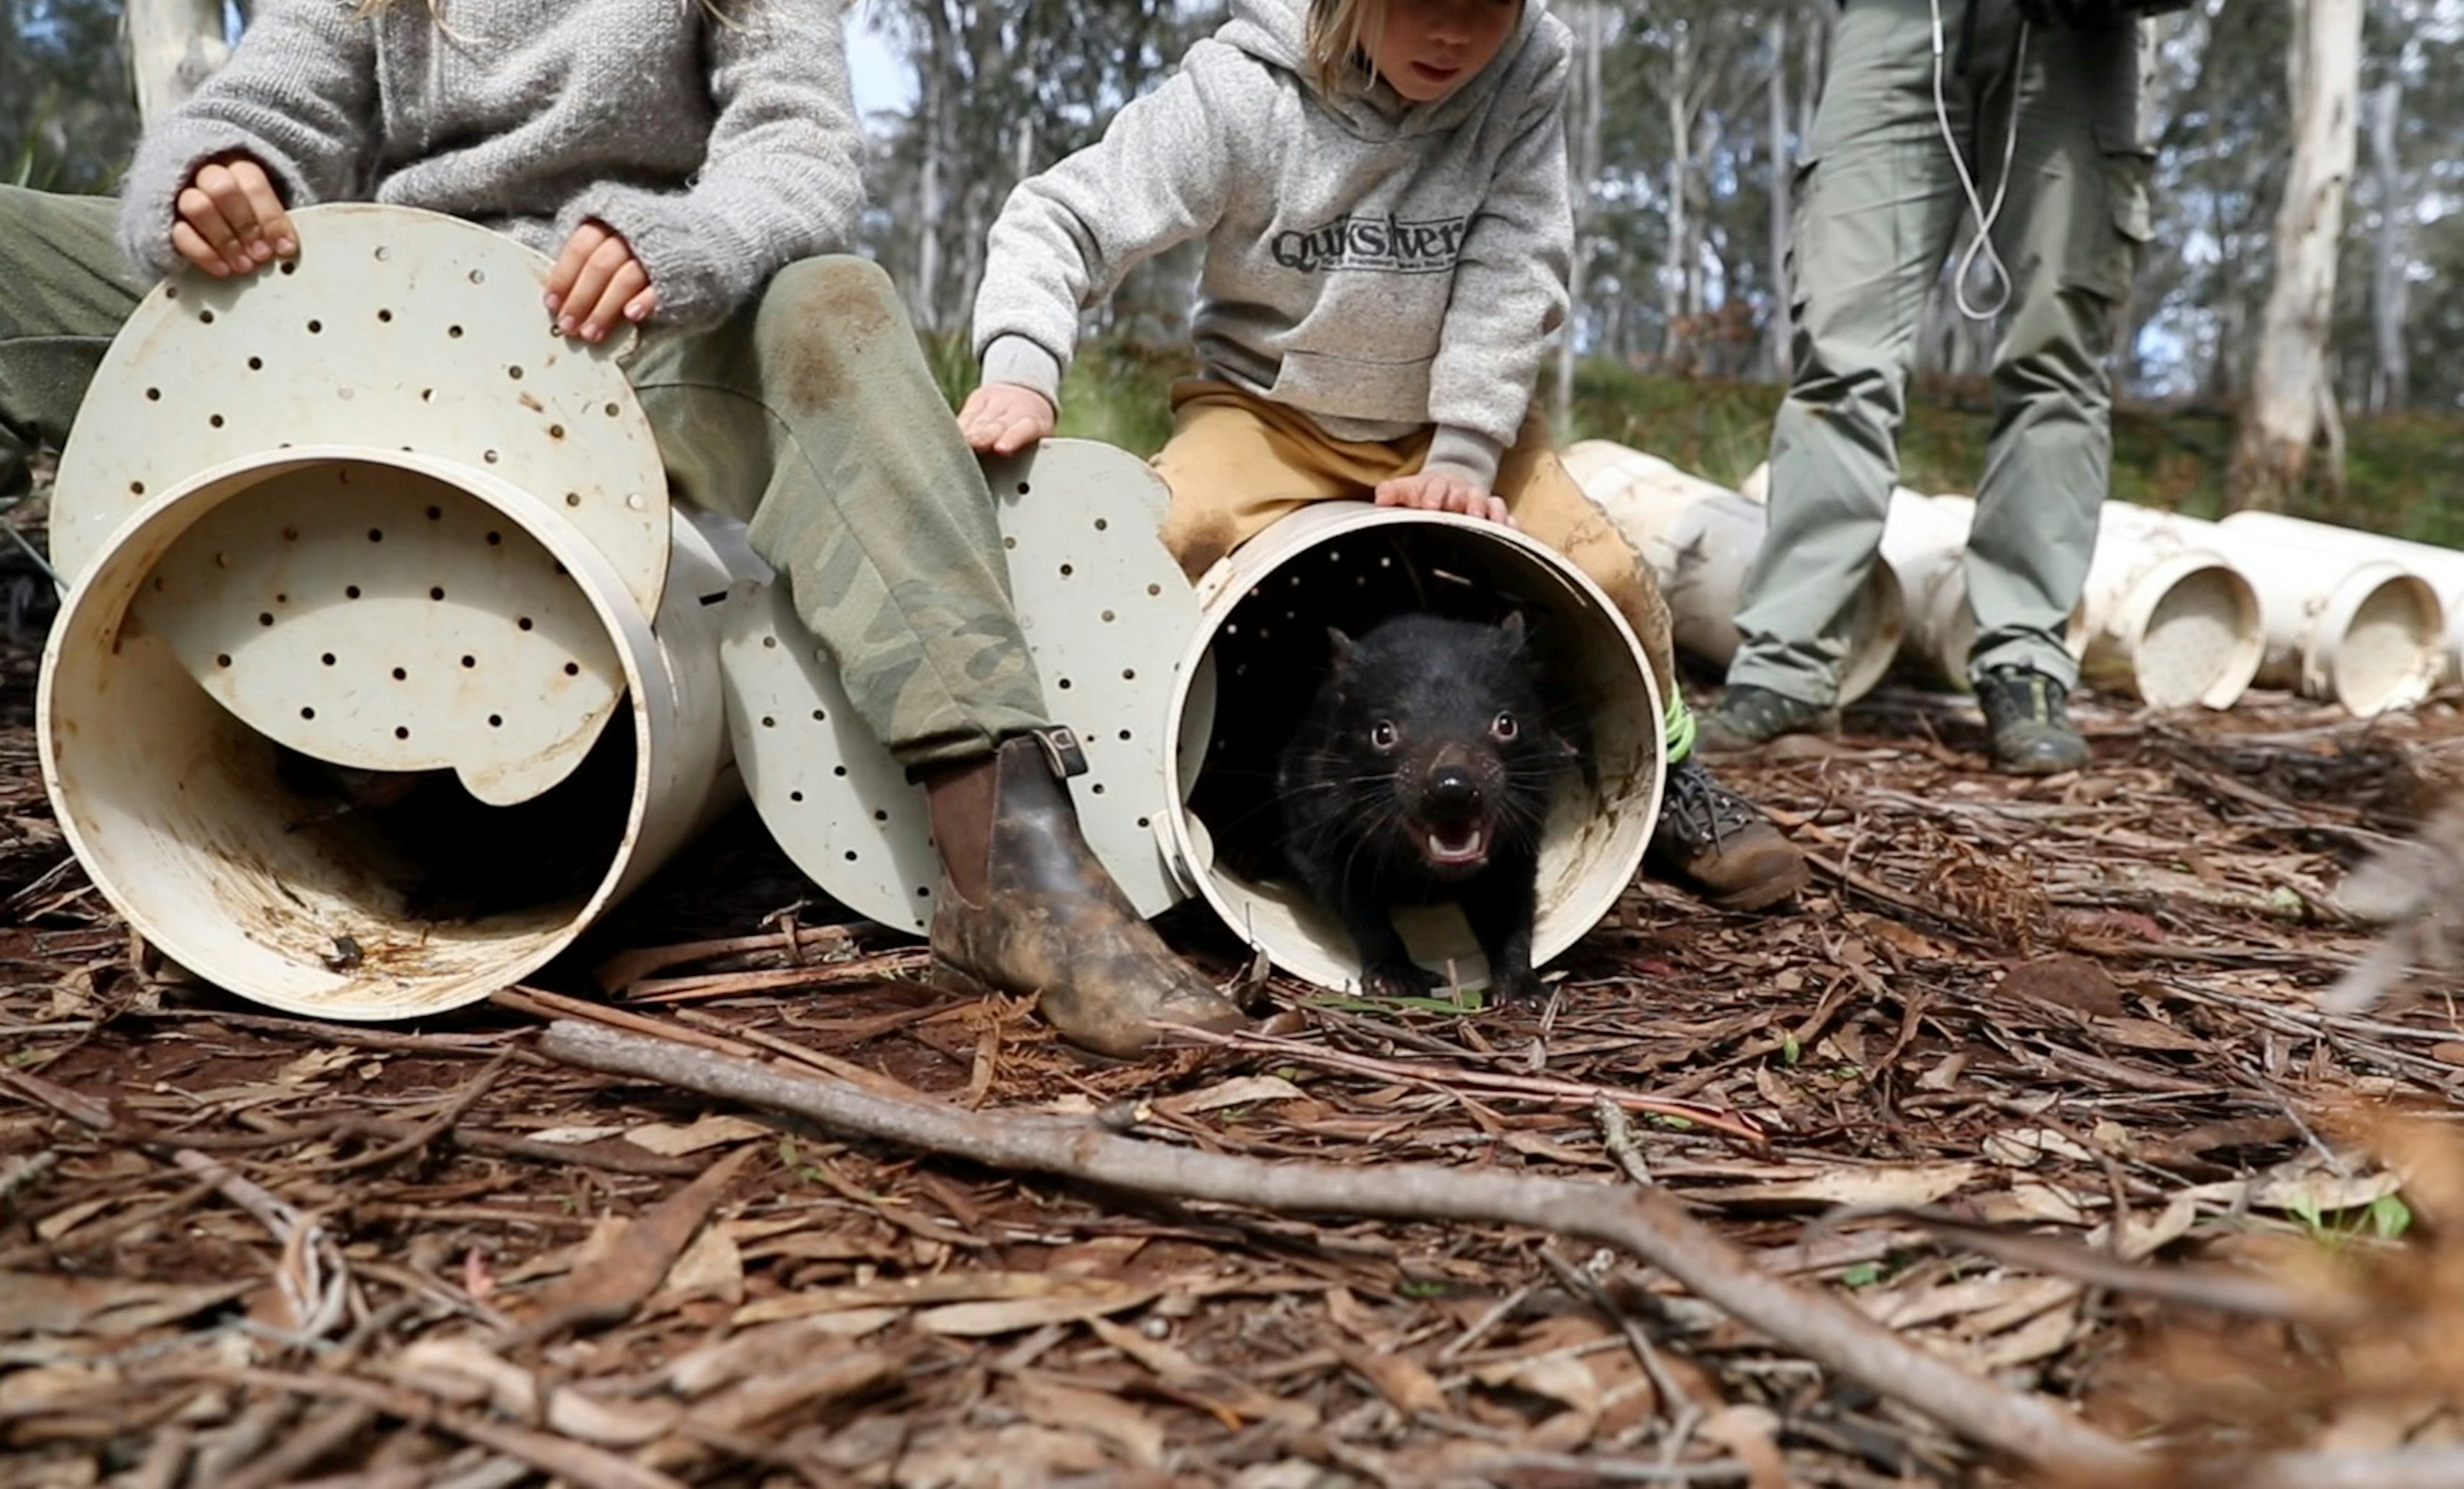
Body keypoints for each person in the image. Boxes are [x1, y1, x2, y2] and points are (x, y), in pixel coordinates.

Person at [0, 0, 1245, 1057]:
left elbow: (800, 155)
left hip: (615, 332)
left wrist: (683, 239)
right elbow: (280, 101)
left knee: (833, 303)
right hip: (364, 310)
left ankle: (1007, 854)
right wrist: (221, 175)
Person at [959, 0, 1810, 914]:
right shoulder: (1242, 91)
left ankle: (1673, 778)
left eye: (1486, 14)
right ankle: (1089, 805)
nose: (1453, 38)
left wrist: (1468, 450)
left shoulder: (1522, 75)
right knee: (1163, 544)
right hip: (1267, 413)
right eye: (1421, 8)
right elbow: (1063, 216)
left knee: (1610, 570)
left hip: (1452, 423)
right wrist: (1023, 367)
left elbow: (1514, 270)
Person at [1699, 0, 2154, 774]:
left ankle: (2026, 663)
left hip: (2078, 37)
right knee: (1841, 355)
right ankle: (1787, 668)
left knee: (2059, 359)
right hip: (1898, 21)